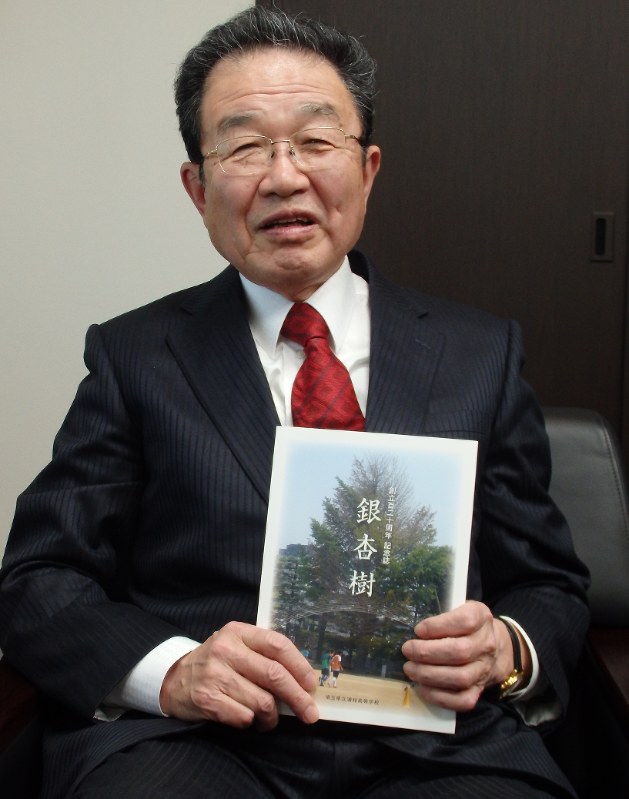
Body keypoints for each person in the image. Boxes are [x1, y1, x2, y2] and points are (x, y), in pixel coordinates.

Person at [0, 7, 589, 798]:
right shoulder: (134, 355)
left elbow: (547, 581)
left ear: (368, 168)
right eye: (244, 147)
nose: (283, 177)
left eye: (315, 141)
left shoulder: (480, 352)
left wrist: (506, 649)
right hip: (202, 741)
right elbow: (40, 577)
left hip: (439, 748)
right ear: (197, 187)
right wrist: (174, 671)